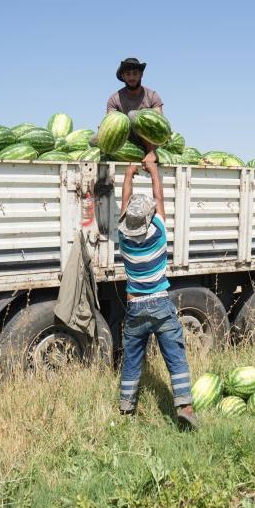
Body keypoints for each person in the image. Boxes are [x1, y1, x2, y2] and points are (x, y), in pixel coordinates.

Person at [116, 159, 198, 429]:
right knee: (175, 355)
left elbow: (124, 204)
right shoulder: (159, 233)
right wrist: (153, 171)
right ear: (149, 219)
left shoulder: (124, 239)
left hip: (135, 307)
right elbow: (159, 198)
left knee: (132, 358)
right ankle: (185, 406)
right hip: (161, 305)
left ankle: (126, 407)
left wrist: (128, 174)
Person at [96, 57, 164, 162]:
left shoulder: (152, 95)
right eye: (128, 74)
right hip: (125, 140)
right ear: (123, 76)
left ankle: (151, 152)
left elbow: (159, 123)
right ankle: (123, 154)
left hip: (148, 140)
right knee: (93, 139)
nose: (131, 77)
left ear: (141, 75)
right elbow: (110, 123)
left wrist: (145, 120)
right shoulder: (114, 98)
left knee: (133, 115)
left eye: (135, 73)